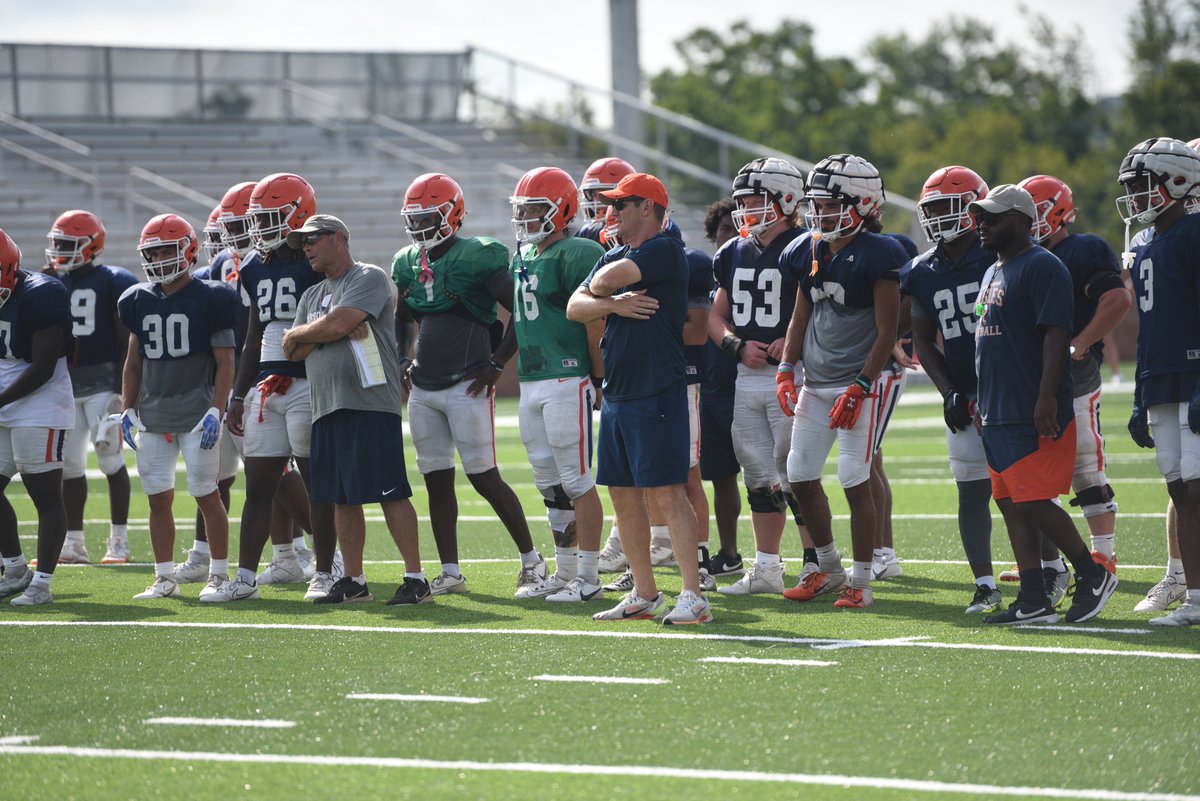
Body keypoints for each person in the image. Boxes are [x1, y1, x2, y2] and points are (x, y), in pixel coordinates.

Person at [967, 184, 1118, 625]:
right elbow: (987, 339)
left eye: (992, 218)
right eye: (980, 217)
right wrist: (981, 397)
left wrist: (1047, 396)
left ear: (1020, 220)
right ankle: (1033, 597)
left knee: (1033, 501)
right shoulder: (994, 269)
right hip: (996, 407)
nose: (982, 225)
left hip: (1029, 407)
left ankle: (1092, 573)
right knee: (1011, 503)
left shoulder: (1042, 265)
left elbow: (1055, 334)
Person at [566, 171, 711, 625]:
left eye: (621, 204)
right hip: (618, 390)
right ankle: (645, 593)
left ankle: (693, 594)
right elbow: (575, 307)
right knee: (623, 495)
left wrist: (603, 293)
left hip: (656, 387)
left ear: (647, 208)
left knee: (666, 491)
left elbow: (607, 279)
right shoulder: (617, 251)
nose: (611, 212)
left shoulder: (664, 248)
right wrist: (611, 305)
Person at [392, 172, 544, 595]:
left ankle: (532, 560)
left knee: (484, 476)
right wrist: (404, 357)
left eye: (429, 217)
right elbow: (402, 316)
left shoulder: (477, 255)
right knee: (436, 480)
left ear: (453, 214)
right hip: (424, 387)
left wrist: (498, 362)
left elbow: (520, 309)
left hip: (467, 384)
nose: (421, 226)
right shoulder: (407, 261)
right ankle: (451, 571)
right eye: (415, 218)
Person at [775, 154, 904, 610]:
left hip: (868, 379)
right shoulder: (806, 250)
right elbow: (800, 314)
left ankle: (863, 581)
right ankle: (828, 568)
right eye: (818, 204)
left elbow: (888, 330)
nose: (821, 213)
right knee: (799, 473)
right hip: (819, 378)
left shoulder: (879, 253)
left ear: (863, 203)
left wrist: (862, 385)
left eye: (831, 204)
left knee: (853, 473)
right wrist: (787, 367)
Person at [280, 215, 426, 605]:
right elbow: (292, 350)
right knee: (342, 497)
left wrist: (316, 330)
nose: (306, 248)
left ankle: (416, 578)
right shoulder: (311, 296)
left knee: (389, 492)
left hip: (369, 402)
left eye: (312, 240)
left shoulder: (369, 277)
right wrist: (317, 331)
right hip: (325, 404)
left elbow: (338, 324)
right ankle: (355, 580)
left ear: (339, 238)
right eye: (302, 243)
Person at [1004, 174, 1131, 598]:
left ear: (1058, 211)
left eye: (1036, 209)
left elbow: (1116, 300)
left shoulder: (1083, 249)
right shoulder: (1019, 259)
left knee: (1085, 470)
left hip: (1073, 381)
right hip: (1029, 383)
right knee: (1036, 478)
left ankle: (1103, 556)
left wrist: (1080, 343)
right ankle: (1051, 565)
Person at [224, 172, 339, 601]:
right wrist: (239, 393)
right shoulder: (253, 266)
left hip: (309, 382)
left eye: (271, 218)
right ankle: (245, 578)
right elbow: (253, 337)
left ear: (299, 215)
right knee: (259, 487)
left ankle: (327, 570)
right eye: (258, 219)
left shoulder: (316, 261)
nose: (261, 228)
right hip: (265, 388)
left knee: (316, 483)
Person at [117, 214, 240, 602]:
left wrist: (216, 409)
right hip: (154, 414)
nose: (159, 258)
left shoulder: (212, 296)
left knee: (206, 494)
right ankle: (164, 576)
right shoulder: (136, 299)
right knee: (157, 497)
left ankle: (219, 574)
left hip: (196, 411)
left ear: (188, 249)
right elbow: (133, 361)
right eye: (152, 251)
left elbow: (226, 361)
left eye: (166, 249)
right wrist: (127, 408)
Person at [902, 165, 1001, 613]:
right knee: (970, 488)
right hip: (963, 389)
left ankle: (1050, 570)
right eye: (933, 209)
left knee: (1023, 491)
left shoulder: (997, 255)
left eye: (948, 207)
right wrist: (949, 391)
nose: (939, 218)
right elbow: (922, 336)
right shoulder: (921, 270)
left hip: (1007, 388)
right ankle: (984, 582)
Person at [709, 157, 810, 596]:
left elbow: (820, 311)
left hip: (792, 375)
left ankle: (816, 561)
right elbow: (716, 314)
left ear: (786, 199)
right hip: (746, 376)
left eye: (756, 198)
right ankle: (767, 567)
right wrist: (735, 344)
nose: (747, 206)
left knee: (796, 475)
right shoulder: (733, 250)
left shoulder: (806, 245)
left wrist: (792, 344)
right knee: (757, 476)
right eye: (744, 199)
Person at [506, 167, 607, 601]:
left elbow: (593, 321)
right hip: (532, 379)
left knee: (577, 479)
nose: (526, 217)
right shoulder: (522, 256)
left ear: (562, 210)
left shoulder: (577, 252)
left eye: (535, 209)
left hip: (568, 376)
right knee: (548, 482)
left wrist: (599, 377)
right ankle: (564, 572)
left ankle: (589, 575)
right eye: (522, 209)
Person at [1120, 137, 1200, 626]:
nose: (1135, 198)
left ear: (1177, 180)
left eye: (1142, 186)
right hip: (1161, 376)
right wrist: (1138, 392)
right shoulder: (1146, 245)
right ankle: (1194, 596)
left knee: (1196, 488)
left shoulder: (1194, 234)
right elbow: (1149, 326)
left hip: (1192, 372)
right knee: (1178, 489)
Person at [43, 210, 136, 565]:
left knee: (111, 459)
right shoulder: (53, 282)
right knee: (70, 467)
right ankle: (74, 543)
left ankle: (119, 541)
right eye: (58, 243)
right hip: (66, 385)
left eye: (68, 244)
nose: (61, 250)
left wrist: (121, 390)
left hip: (102, 385)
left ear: (92, 245)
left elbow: (124, 336)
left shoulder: (113, 279)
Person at [0, 228, 74, 607]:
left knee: (43, 494)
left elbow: (44, 366)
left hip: (38, 401)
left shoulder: (42, 294)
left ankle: (41, 582)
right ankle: (14, 570)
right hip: (3, 397)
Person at [697, 198, 744, 578]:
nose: (733, 234)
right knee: (721, 477)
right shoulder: (703, 276)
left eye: (737, 226)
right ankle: (729, 555)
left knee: (775, 475)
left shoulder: (755, 270)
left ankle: (811, 554)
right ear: (713, 236)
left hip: (749, 382)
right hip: (710, 389)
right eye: (725, 229)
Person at [576, 157, 636, 241]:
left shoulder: (641, 230)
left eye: (604, 193)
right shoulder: (588, 231)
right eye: (593, 193)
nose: (596, 200)